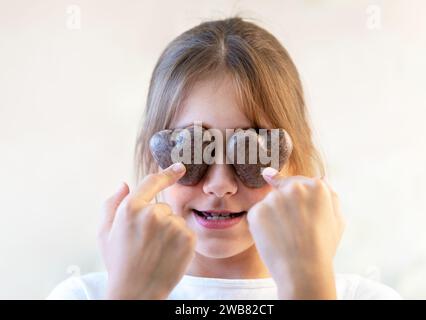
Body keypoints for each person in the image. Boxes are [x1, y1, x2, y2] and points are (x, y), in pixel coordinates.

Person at [47, 17, 401, 300]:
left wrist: (308, 286)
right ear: (152, 157)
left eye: (252, 152)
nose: (219, 184)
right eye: (190, 149)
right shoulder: (84, 295)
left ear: (294, 161)